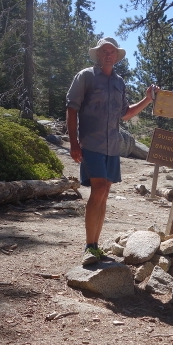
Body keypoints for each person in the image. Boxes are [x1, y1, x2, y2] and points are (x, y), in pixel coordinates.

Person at [66, 37, 158, 265]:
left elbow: (124, 114)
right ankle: (89, 246)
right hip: (91, 144)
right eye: (104, 51)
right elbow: (71, 108)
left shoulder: (119, 82)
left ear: (116, 56)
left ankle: (96, 246)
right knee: (98, 189)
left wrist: (147, 100)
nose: (108, 55)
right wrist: (74, 143)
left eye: (112, 52)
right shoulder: (85, 76)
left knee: (105, 192)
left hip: (111, 146)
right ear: (98, 54)